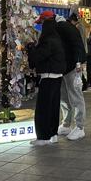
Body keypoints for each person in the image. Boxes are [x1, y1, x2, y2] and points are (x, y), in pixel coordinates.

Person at [27, 13, 66, 146]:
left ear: (45, 23)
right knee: (53, 107)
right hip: (57, 77)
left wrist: (31, 48)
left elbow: (38, 57)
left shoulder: (48, 40)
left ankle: (43, 137)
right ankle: (52, 134)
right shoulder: (56, 37)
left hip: (48, 77)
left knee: (43, 108)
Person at [52, 13, 87, 141]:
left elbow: (78, 46)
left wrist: (79, 63)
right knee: (65, 97)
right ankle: (66, 124)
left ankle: (79, 127)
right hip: (64, 67)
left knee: (75, 96)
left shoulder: (65, 28)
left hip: (72, 67)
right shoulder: (61, 28)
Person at [68, 13, 89, 91]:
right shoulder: (82, 26)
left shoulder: (78, 27)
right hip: (82, 50)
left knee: (78, 69)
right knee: (80, 69)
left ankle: (82, 84)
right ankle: (83, 84)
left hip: (80, 50)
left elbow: (79, 41)